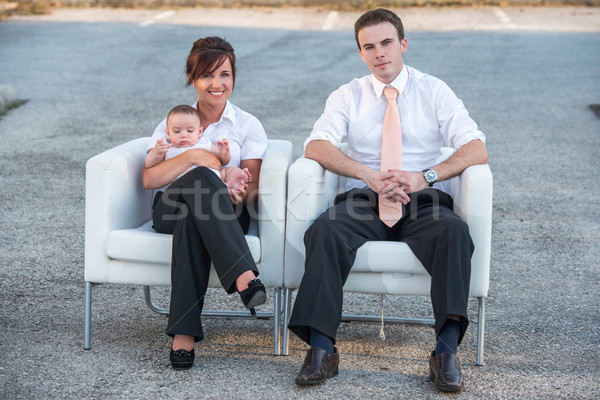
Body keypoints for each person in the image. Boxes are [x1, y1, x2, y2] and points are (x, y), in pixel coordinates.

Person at [287, 8, 488, 393]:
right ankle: (321, 349)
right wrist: (367, 173)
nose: (379, 53)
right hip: (366, 196)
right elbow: (316, 144)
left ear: (403, 45)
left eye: (386, 43)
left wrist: (424, 176)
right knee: (324, 231)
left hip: (422, 199)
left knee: (455, 233)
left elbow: (476, 148)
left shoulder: (434, 90)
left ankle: (445, 353)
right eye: (369, 47)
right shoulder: (348, 94)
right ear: (361, 54)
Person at [141, 36, 269, 370]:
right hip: (168, 207)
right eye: (207, 76)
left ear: (233, 77)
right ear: (192, 79)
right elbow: (149, 180)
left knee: (194, 217)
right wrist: (197, 156)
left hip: (226, 209)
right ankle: (244, 276)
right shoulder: (175, 121)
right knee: (200, 179)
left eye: (224, 74)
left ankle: (183, 334)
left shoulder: (247, 125)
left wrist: (239, 191)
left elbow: (252, 187)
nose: (217, 84)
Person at [145, 104, 252, 195]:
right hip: (186, 184)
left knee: (230, 170)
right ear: (168, 133)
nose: (183, 135)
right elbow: (149, 164)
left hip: (214, 177)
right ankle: (223, 188)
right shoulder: (168, 147)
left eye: (190, 131)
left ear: (199, 132)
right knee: (198, 173)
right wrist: (156, 151)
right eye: (177, 131)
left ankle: (233, 183)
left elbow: (221, 161)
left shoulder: (204, 142)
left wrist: (224, 154)